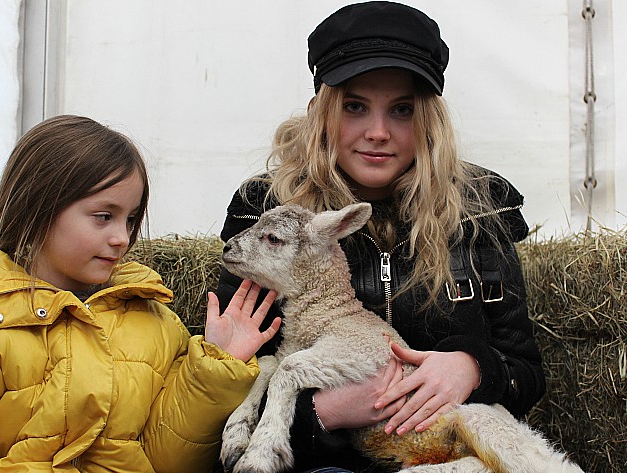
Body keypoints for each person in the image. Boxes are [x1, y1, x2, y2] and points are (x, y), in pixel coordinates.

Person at [215, 2, 546, 472]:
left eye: (401, 110)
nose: (377, 132)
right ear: (322, 112)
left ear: (429, 120)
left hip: (446, 453)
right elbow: (228, 377)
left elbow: (525, 373)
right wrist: (325, 414)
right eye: (355, 106)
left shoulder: (476, 215)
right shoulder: (269, 218)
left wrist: (471, 367)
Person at [0, 115, 281, 472]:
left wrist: (218, 367)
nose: (122, 238)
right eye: (102, 216)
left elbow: (168, 458)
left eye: (130, 219)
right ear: (37, 207)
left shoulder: (158, 324)